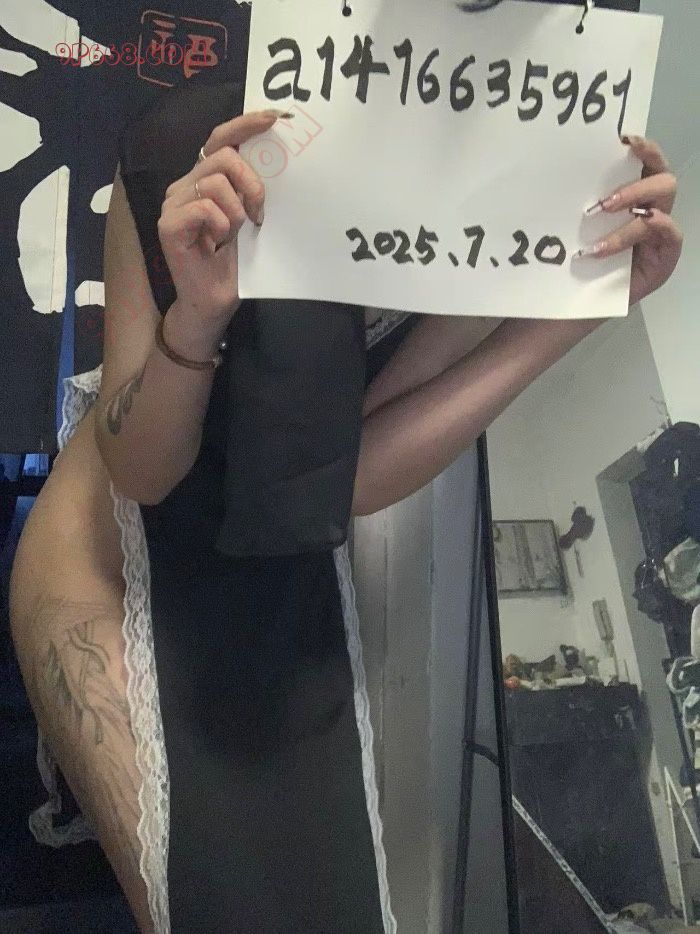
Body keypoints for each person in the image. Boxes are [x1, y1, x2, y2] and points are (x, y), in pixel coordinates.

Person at [9, 24, 681, 934]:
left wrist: (580, 304)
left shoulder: (511, 200)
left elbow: (355, 469)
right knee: (222, 904)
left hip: (285, 572)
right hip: (115, 547)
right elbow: (140, 471)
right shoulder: (199, 142)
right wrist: (197, 317)